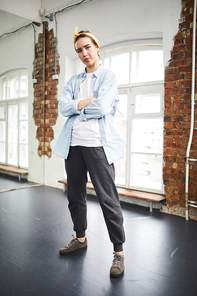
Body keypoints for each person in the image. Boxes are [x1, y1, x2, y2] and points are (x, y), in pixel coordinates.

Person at [53, 27, 126, 278]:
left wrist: (78, 108)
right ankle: (80, 238)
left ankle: (118, 253)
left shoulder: (108, 76)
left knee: (108, 199)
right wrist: (85, 103)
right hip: (73, 146)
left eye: (87, 47)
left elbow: (103, 107)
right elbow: (63, 107)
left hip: (98, 145)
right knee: (75, 196)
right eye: (79, 50)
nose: (84, 53)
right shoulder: (74, 82)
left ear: (96, 47)